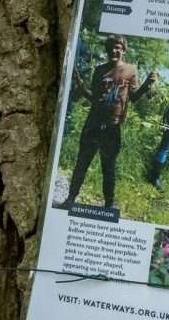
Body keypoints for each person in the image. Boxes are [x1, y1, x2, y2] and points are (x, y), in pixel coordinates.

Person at [62, 35, 156, 208]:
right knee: (82, 163)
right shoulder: (99, 70)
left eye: (118, 47)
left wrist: (146, 84)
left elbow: (134, 97)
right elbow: (93, 98)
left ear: (124, 50)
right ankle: (70, 199)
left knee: (109, 168)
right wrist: (79, 84)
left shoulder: (131, 70)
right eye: (111, 47)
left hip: (112, 127)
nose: (114, 50)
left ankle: (109, 205)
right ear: (106, 50)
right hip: (92, 125)